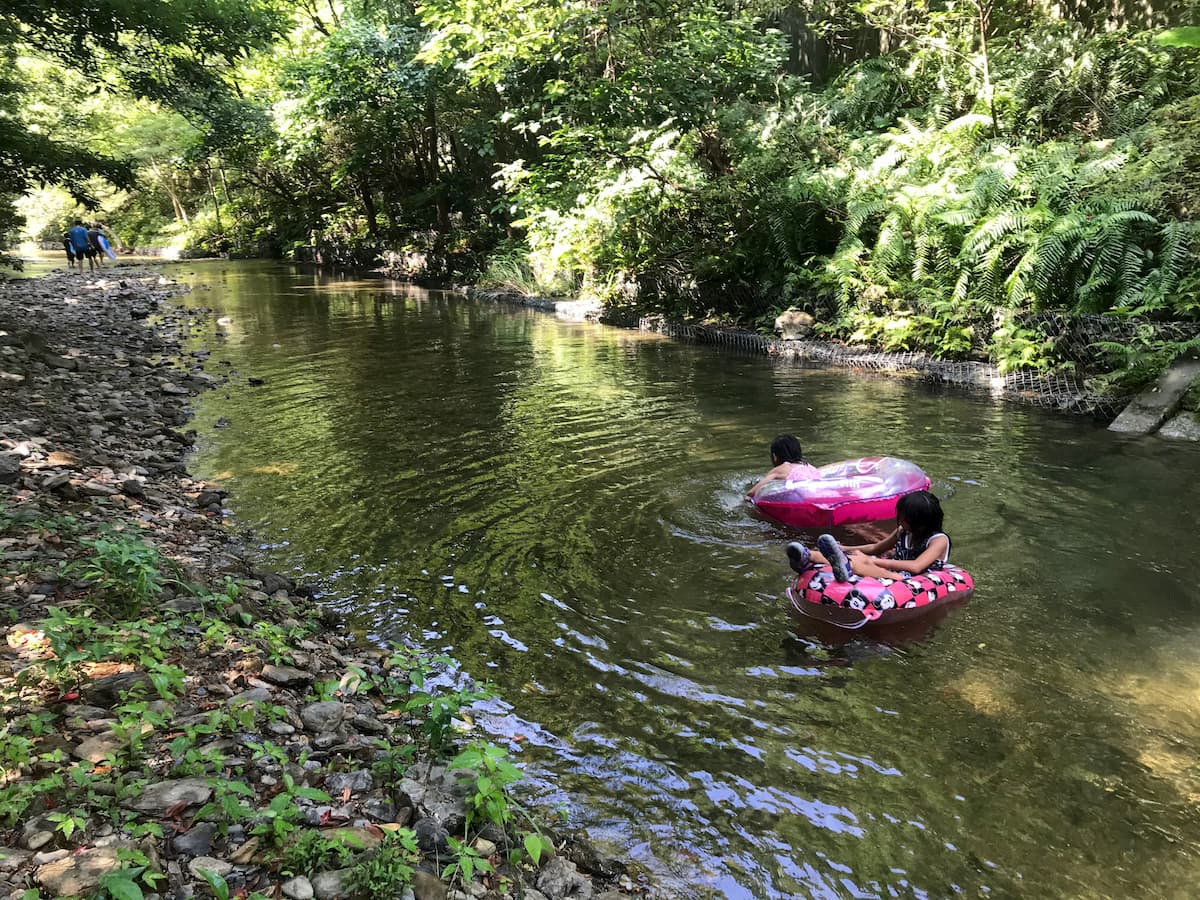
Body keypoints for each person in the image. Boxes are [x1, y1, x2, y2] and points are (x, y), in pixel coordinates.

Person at [788, 490, 951, 583]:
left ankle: (846, 566)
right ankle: (808, 556)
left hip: (914, 581)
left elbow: (916, 566)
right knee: (861, 557)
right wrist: (845, 548)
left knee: (863, 561)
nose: (900, 520)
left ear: (919, 523)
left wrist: (873, 560)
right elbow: (876, 547)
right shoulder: (904, 531)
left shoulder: (938, 541)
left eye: (904, 517)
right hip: (895, 572)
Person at [748, 434, 821, 498]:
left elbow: (751, 493)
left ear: (774, 456)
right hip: (819, 496)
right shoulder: (810, 467)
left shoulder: (780, 469)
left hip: (800, 501)